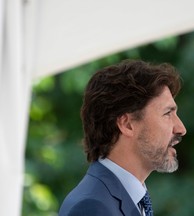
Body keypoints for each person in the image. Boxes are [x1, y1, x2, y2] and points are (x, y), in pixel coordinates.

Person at [59, 59, 187, 216]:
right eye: (168, 113)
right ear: (127, 125)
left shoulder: (130, 199)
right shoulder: (91, 207)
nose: (181, 129)